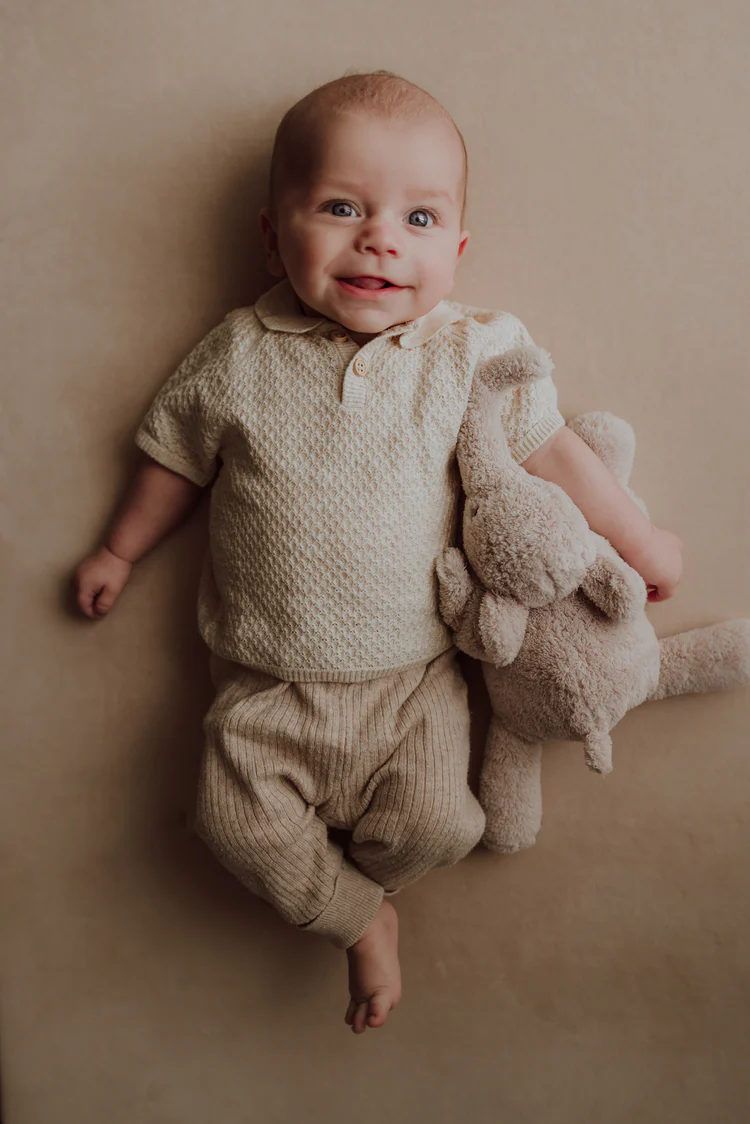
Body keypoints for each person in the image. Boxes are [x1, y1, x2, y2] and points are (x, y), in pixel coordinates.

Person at [72, 71, 683, 1035]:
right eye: (341, 207)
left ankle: (362, 887)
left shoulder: (471, 353)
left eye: (420, 219)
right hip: (266, 687)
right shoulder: (237, 352)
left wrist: (637, 539)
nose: (380, 239)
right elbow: (174, 457)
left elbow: (552, 450)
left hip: (415, 688)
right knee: (231, 823)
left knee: (443, 825)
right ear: (273, 235)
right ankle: (359, 918)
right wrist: (118, 548)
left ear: (458, 251)